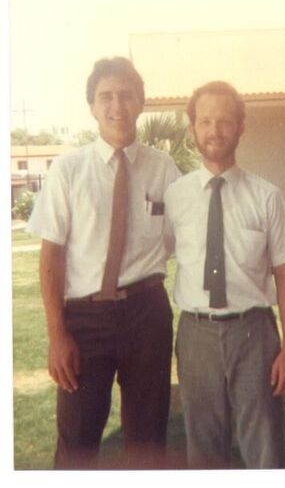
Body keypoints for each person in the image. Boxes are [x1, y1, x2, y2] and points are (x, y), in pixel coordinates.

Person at [27, 57, 179, 469]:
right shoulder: (68, 170)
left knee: (147, 441)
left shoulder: (163, 169)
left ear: (141, 103)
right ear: (92, 106)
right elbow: (51, 256)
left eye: (126, 96)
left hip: (147, 314)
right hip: (84, 319)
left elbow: (187, 237)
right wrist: (57, 334)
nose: (117, 106)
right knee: (77, 442)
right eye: (106, 97)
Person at [164, 81, 285, 469]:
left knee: (264, 449)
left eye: (225, 121)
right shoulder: (175, 196)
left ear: (241, 128)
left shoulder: (266, 197)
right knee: (204, 451)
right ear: (192, 128)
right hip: (196, 336)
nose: (215, 131)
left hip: (254, 334)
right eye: (205, 121)